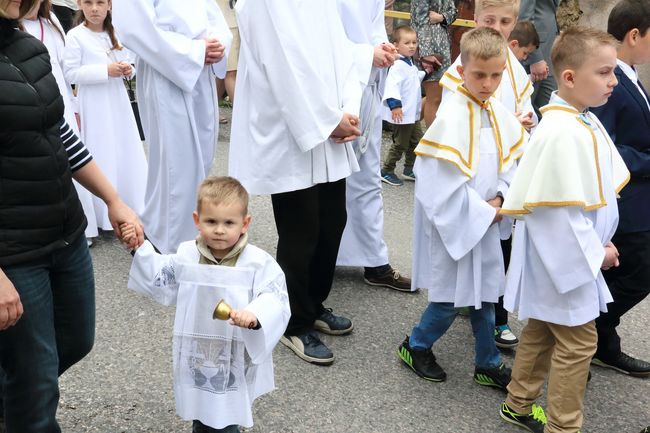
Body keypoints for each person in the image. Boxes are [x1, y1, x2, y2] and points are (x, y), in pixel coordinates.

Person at [0, 0, 144, 431]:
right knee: (36, 380)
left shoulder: (28, 45)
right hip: (13, 250)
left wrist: (112, 199)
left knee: (76, 340)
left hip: (65, 230)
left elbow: (59, 132)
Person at [499, 27, 629, 433]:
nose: (613, 81)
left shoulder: (580, 119)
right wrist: (596, 251)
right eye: (605, 72)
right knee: (579, 344)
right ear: (569, 78)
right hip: (565, 257)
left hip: (566, 254)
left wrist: (601, 236)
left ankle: (519, 404)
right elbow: (558, 216)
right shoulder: (561, 131)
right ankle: (564, 426)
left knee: (540, 329)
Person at [229, 0, 363, 365]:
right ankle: (293, 321)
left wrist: (347, 108)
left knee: (333, 221)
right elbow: (283, 66)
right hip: (293, 130)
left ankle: (313, 303)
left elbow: (341, 51)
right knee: (301, 229)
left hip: (332, 122)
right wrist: (325, 119)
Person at [397, 27, 526, 389]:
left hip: (487, 219)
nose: (488, 83)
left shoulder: (499, 114)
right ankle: (415, 344)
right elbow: (438, 182)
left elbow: (513, 161)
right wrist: (484, 212)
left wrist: (502, 197)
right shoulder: (451, 117)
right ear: (462, 70)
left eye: (497, 75)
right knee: (451, 299)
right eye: (479, 74)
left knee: (485, 294)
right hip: (459, 224)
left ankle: (487, 362)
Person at [126, 176, 290, 433]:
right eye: (211, 221)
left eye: (229, 222)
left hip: (234, 347)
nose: (220, 230)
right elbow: (162, 275)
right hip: (198, 348)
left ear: (245, 224)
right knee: (201, 406)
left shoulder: (257, 262)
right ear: (197, 220)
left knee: (226, 412)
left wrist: (255, 314)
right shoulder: (188, 255)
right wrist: (139, 248)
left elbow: (275, 295)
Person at [440, 0, 535, 349]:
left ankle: (495, 315)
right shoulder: (465, 65)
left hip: (505, 166)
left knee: (503, 247)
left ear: (515, 23)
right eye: (489, 19)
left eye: (505, 21)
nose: (497, 27)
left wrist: (524, 121)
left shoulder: (516, 68)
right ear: (475, 19)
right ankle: (476, 307)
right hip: (476, 169)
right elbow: (458, 114)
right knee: (477, 244)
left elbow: (527, 109)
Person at [112, 0, 232, 255]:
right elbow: (134, 27)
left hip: (201, 71)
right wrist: (194, 51)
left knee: (201, 159)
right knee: (177, 165)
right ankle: (172, 245)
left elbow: (212, 15)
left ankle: (193, 229)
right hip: (166, 72)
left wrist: (218, 44)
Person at [589, 0, 650, 378]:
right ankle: (583, 330)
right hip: (626, 199)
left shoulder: (631, 76)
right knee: (640, 272)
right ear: (633, 35)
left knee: (627, 271)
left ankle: (601, 344)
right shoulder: (611, 79)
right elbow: (604, 144)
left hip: (639, 197)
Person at [335, 1, 413, 293]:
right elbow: (321, 39)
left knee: (367, 180)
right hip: (338, 89)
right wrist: (368, 53)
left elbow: (373, 28)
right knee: (329, 180)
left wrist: (382, 47)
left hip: (368, 84)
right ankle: (323, 256)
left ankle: (374, 260)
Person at [63, 0, 148, 234]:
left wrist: (128, 69)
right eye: (88, 3)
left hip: (118, 100)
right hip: (94, 102)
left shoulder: (116, 32)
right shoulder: (75, 35)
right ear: (80, 4)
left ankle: (133, 202)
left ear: (109, 5)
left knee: (124, 147)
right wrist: (105, 70)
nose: (94, 9)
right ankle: (102, 211)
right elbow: (70, 72)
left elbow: (132, 60)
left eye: (100, 2)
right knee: (102, 149)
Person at [22, 0, 99, 245]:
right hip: (32, 106)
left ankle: (82, 227)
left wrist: (74, 105)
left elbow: (66, 69)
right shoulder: (15, 25)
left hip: (62, 103)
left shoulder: (52, 21)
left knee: (73, 161)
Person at [380, 25, 426, 187]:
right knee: (400, 143)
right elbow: (392, 86)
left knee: (417, 141)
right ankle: (386, 170)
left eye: (414, 42)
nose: (412, 46)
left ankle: (409, 169)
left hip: (412, 115)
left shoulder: (410, 64)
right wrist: (395, 105)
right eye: (407, 43)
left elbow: (413, 80)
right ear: (396, 45)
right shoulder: (398, 66)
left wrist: (425, 72)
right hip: (402, 113)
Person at [411, 0, 458, 126]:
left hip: (443, 47)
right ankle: (431, 143)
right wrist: (426, 54)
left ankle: (406, 134)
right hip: (428, 47)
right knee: (434, 98)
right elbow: (420, 21)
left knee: (437, 96)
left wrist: (441, 17)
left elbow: (454, 12)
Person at [518, 0, 561, 115]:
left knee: (549, 110)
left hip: (548, 51)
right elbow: (524, 18)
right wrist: (535, 58)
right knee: (525, 110)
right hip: (534, 54)